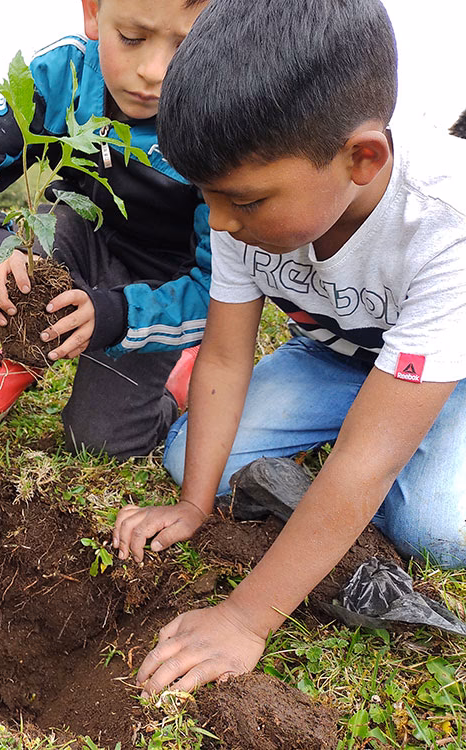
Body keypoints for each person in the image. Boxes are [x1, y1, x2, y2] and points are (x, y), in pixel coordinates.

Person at [112, 0, 466, 693]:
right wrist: (193, 505)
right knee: (191, 458)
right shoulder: (241, 201)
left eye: (243, 202)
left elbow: (366, 456)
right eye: (208, 197)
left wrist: (246, 618)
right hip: (338, 355)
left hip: (447, 372)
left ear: (362, 158)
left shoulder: (445, 224)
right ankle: (331, 491)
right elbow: (223, 357)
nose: (219, 222)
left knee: (437, 528)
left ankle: (361, 487)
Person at [0, 0, 212, 459]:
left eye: (189, 47)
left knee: (98, 441)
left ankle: (176, 385)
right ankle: (16, 356)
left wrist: (117, 315)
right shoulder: (66, 74)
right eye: (133, 38)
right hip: (77, 232)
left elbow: (220, 286)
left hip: (160, 286)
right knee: (24, 254)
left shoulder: (226, 121)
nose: (155, 72)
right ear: (94, 12)